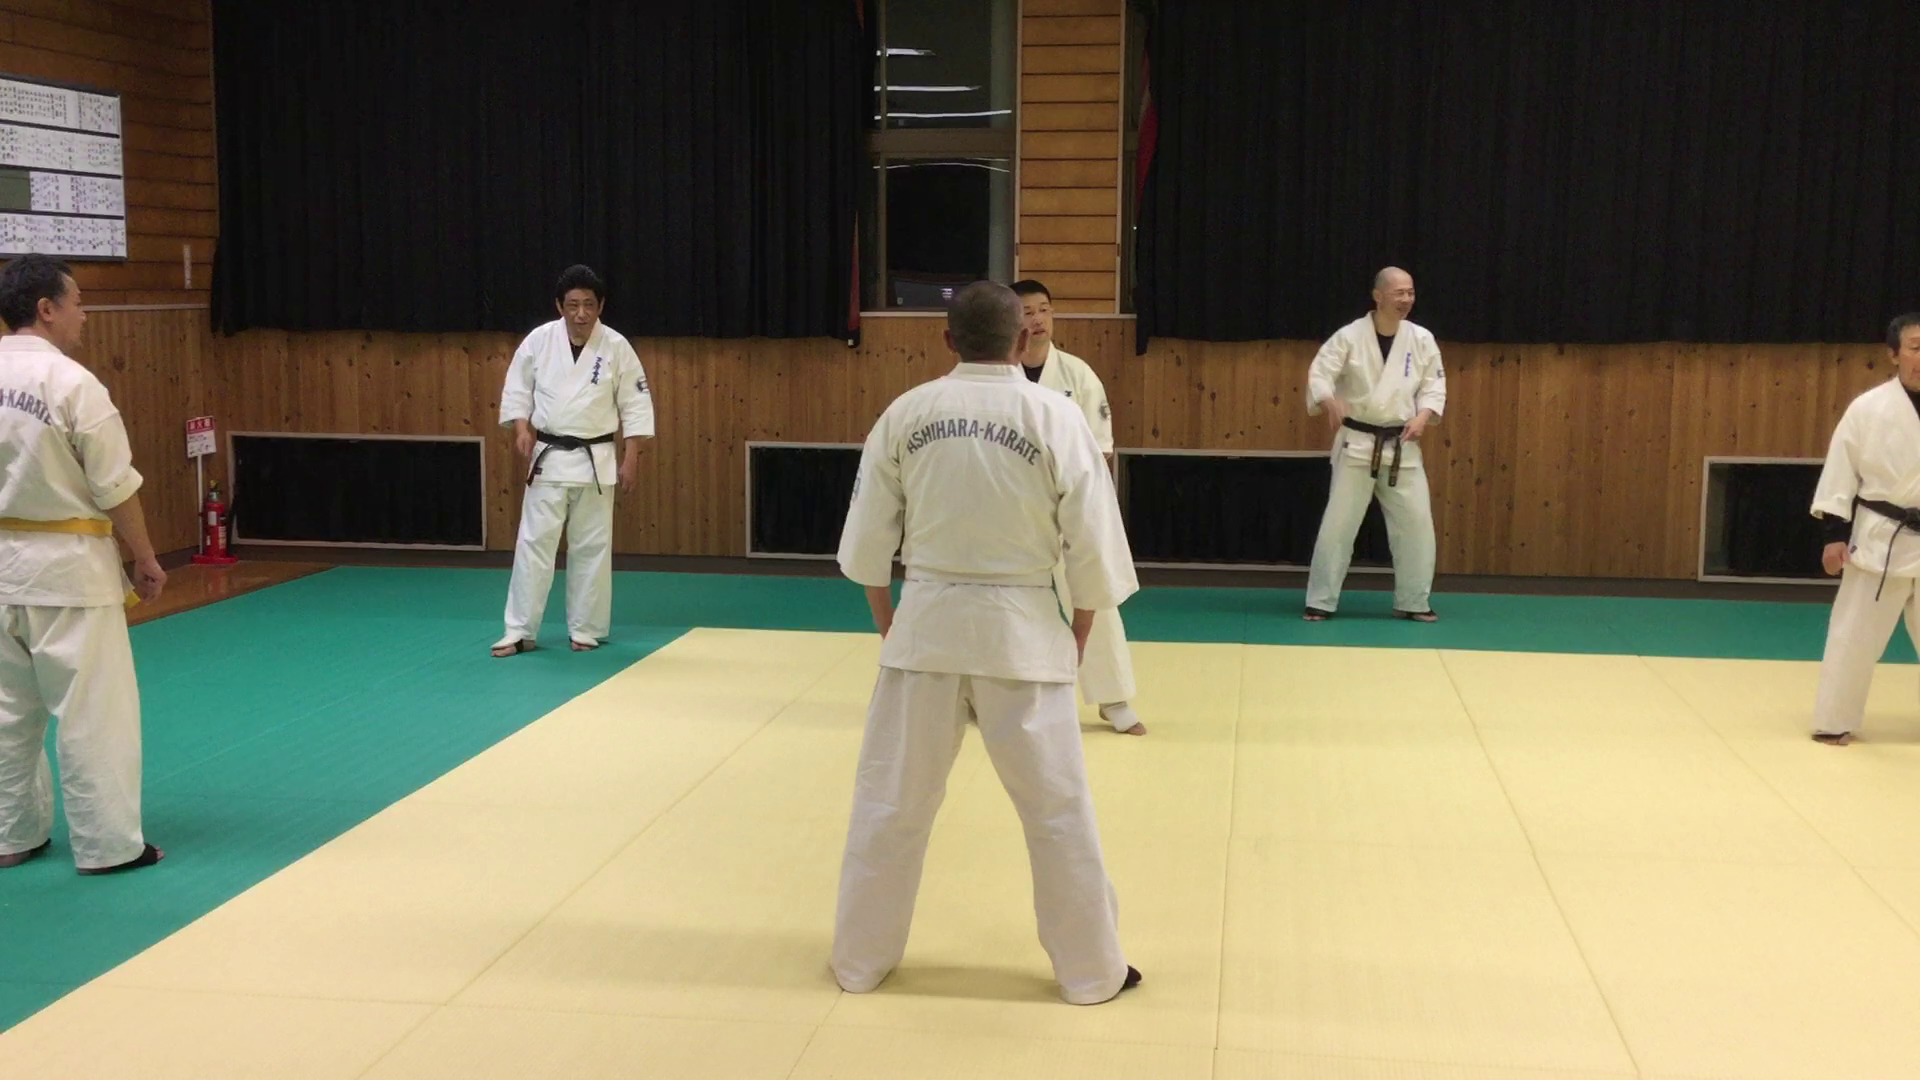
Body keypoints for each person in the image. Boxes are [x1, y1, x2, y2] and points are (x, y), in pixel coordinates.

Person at [832, 280, 1143, 1005]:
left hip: (925, 627)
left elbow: (868, 546)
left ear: (947, 339)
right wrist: (1077, 634)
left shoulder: (906, 412)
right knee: (1057, 812)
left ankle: (859, 961)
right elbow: (1094, 545)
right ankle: (1091, 972)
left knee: (890, 805)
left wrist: (893, 623)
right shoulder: (1056, 415)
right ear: (1022, 338)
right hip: (1024, 632)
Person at [0, 253, 167, 875]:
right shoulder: (73, 384)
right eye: (76, 302)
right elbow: (114, 484)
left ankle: (9, 836)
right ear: (46, 309)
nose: (85, 314)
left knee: (6, 713)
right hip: (67, 570)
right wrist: (144, 556)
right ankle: (108, 846)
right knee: (93, 712)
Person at [493, 265, 654, 657]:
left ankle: (586, 628)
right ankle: (520, 630)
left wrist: (631, 456)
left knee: (592, 546)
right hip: (548, 458)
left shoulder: (616, 346)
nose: (581, 313)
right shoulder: (538, 341)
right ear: (559, 306)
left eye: (588, 305)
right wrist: (521, 427)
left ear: (601, 306)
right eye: (573, 305)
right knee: (533, 544)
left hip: (596, 459)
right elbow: (518, 388)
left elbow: (634, 403)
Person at [1011, 279, 1146, 736]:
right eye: (1027, 311)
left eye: (1043, 310)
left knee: (1093, 594)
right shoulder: (997, 377)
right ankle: (981, 692)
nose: (1037, 320)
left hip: (1069, 507)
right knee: (998, 600)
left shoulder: (1078, 375)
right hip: (1014, 510)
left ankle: (1114, 698)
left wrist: (1082, 512)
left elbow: (1100, 452)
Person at [1302, 266, 1447, 622]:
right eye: (1399, 293)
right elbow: (1321, 372)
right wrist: (1328, 400)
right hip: (1357, 443)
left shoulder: (1422, 339)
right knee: (1339, 526)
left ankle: (1413, 600)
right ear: (1378, 296)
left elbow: (1434, 385)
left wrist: (1423, 415)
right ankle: (1321, 600)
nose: (1406, 299)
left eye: (1411, 292)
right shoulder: (1349, 336)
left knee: (1416, 526)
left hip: (1402, 444)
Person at [1808, 313, 1920, 745]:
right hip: (1880, 537)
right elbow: (1841, 472)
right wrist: (1834, 534)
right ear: (1894, 355)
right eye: (1916, 348)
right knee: (1854, 634)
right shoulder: (1868, 409)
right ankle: (1835, 719)